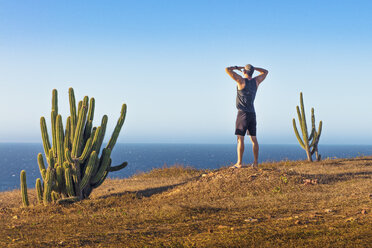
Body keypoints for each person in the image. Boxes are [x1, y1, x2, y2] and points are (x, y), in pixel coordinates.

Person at [225, 64, 268, 168]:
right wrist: (253, 68)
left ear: (244, 71)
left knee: (240, 138)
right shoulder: (256, 81)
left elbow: (227, 69)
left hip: (242, 113)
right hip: (252, 114)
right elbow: (265, 71)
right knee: (254, 139)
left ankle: (239, 163)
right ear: (252, 72)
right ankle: (256, 163)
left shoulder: (241, 81)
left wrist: (237, 67)